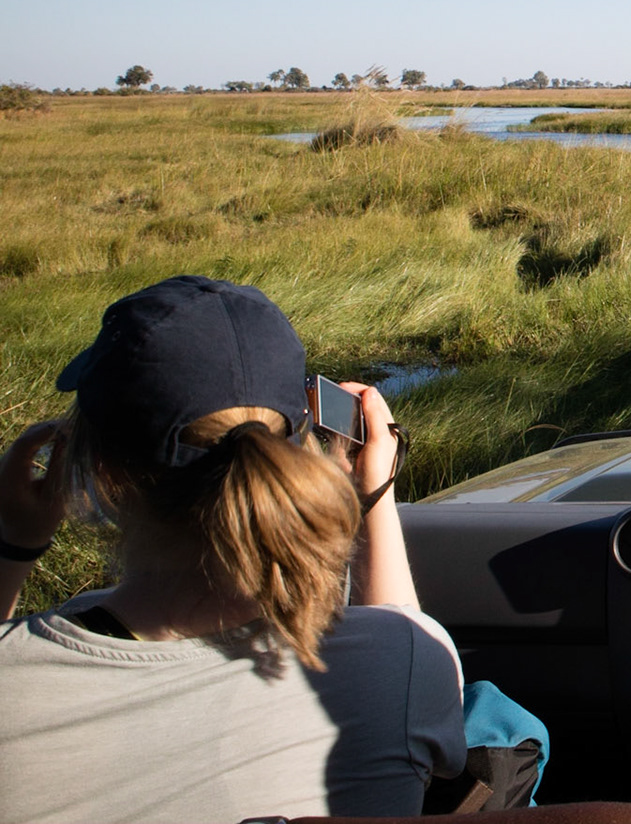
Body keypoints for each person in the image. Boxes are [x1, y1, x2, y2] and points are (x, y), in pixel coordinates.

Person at [0, 275, 467, 823]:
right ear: (297, 448)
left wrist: (15, 543)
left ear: (100, 472)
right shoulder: (409, 665)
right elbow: (399, 633)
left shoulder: (17, 680)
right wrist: (375, 498)